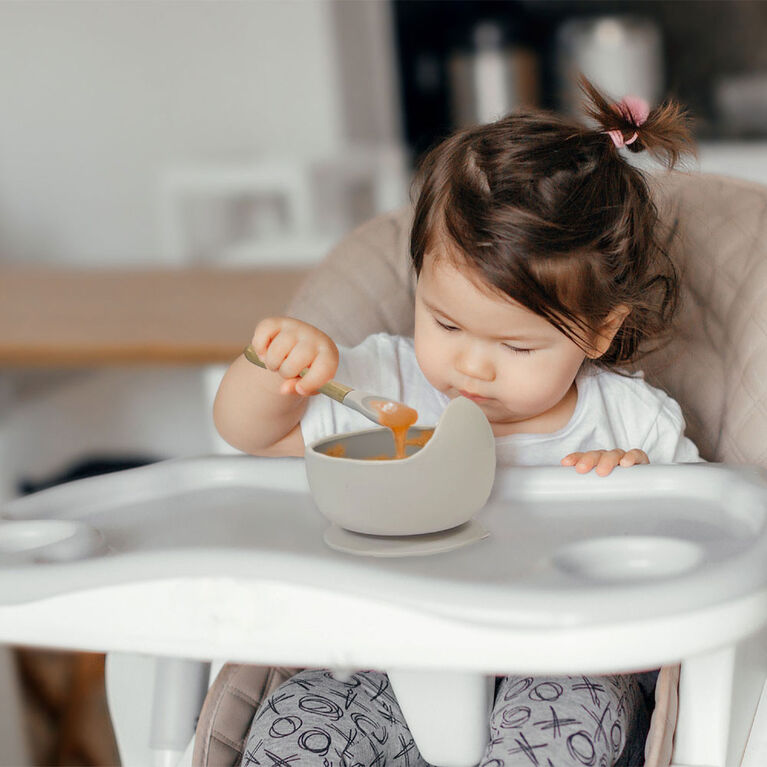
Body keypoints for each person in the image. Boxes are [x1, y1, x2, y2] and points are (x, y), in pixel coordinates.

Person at [214, 78, 700, 766]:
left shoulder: (625, 421)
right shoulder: (383, 385)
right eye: (444, 322)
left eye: (515, 346)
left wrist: (642, 495)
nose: (471, 366)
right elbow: (252, 433)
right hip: (382, 661)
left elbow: (710, 549)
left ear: (597, 331)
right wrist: (270, 367)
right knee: (294, 727)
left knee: (566, 723)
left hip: (564, 660)